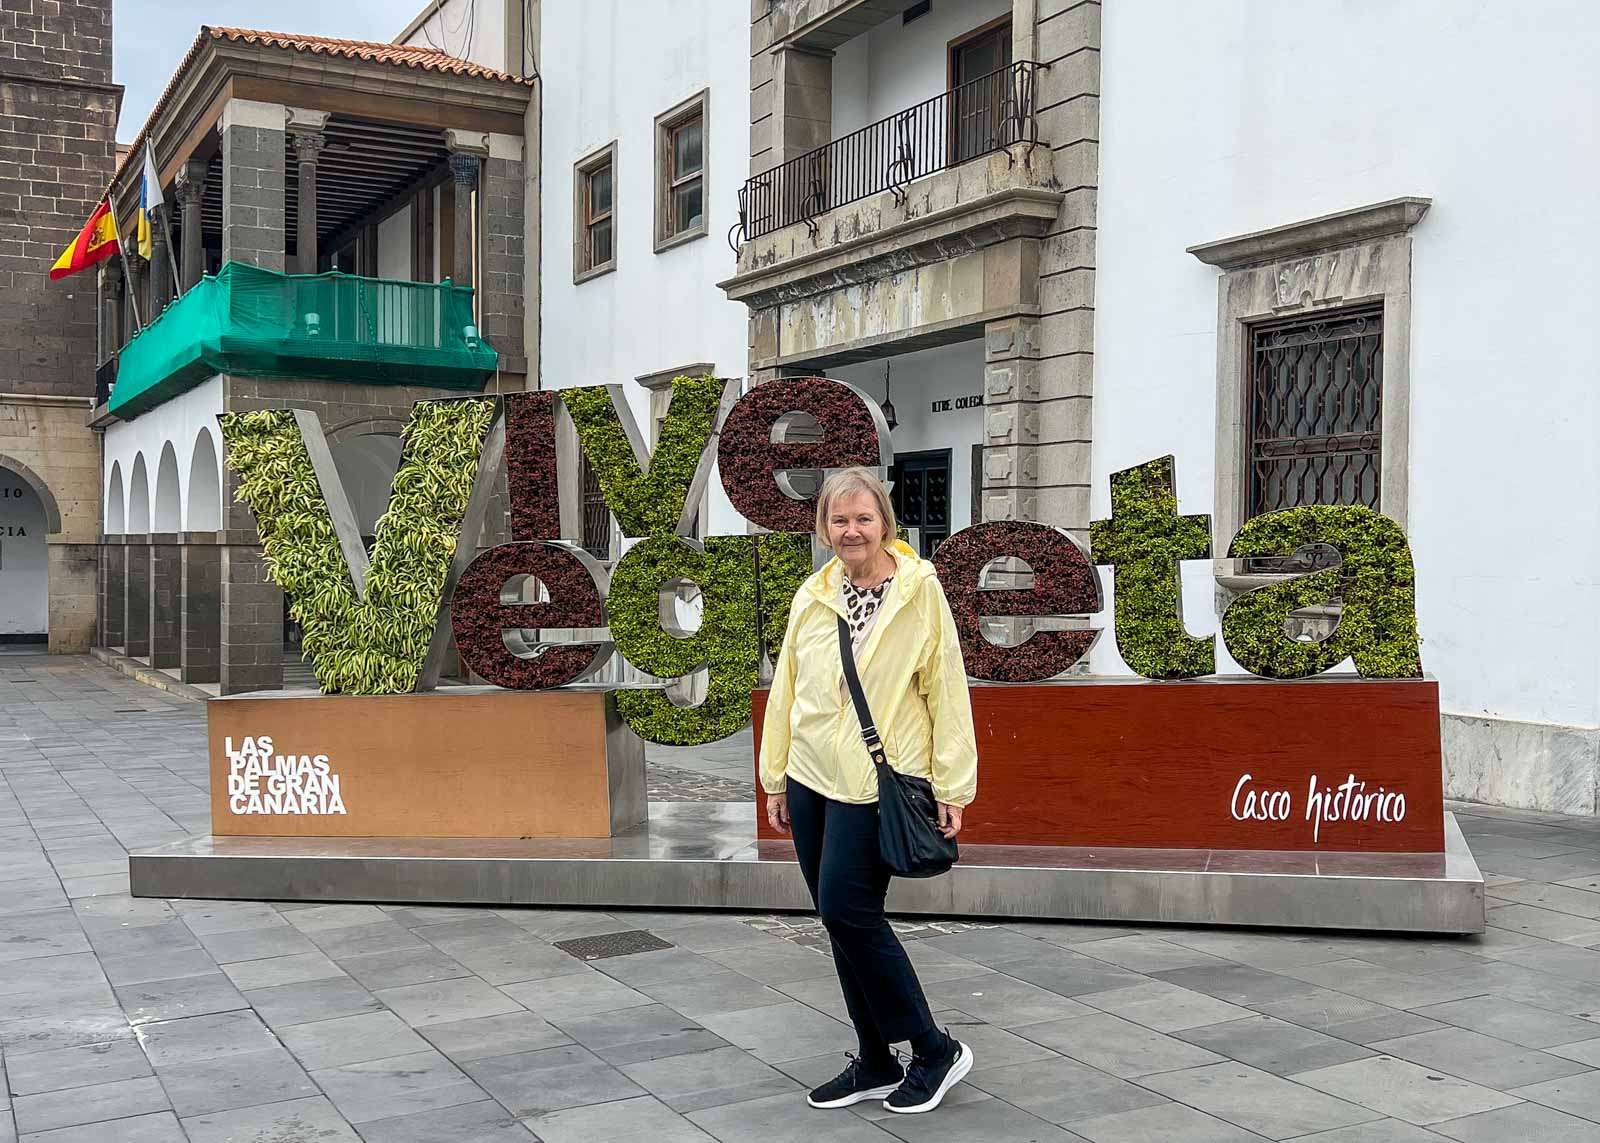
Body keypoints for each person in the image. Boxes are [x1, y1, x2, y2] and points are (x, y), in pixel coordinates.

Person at [760, 466, 979, 1115]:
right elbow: (786, 685)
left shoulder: (919, 591)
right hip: (809, 777)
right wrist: (775, 774)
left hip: (873, 782)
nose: (851, 530)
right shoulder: (814, 593)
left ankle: (934, 1049)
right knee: (838, 920)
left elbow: (947, 688)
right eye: (839, 519)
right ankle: (876, 1058)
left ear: (884, 521)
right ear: (823, 527)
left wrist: (953, 783)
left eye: (863, 517)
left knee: (848, 910)